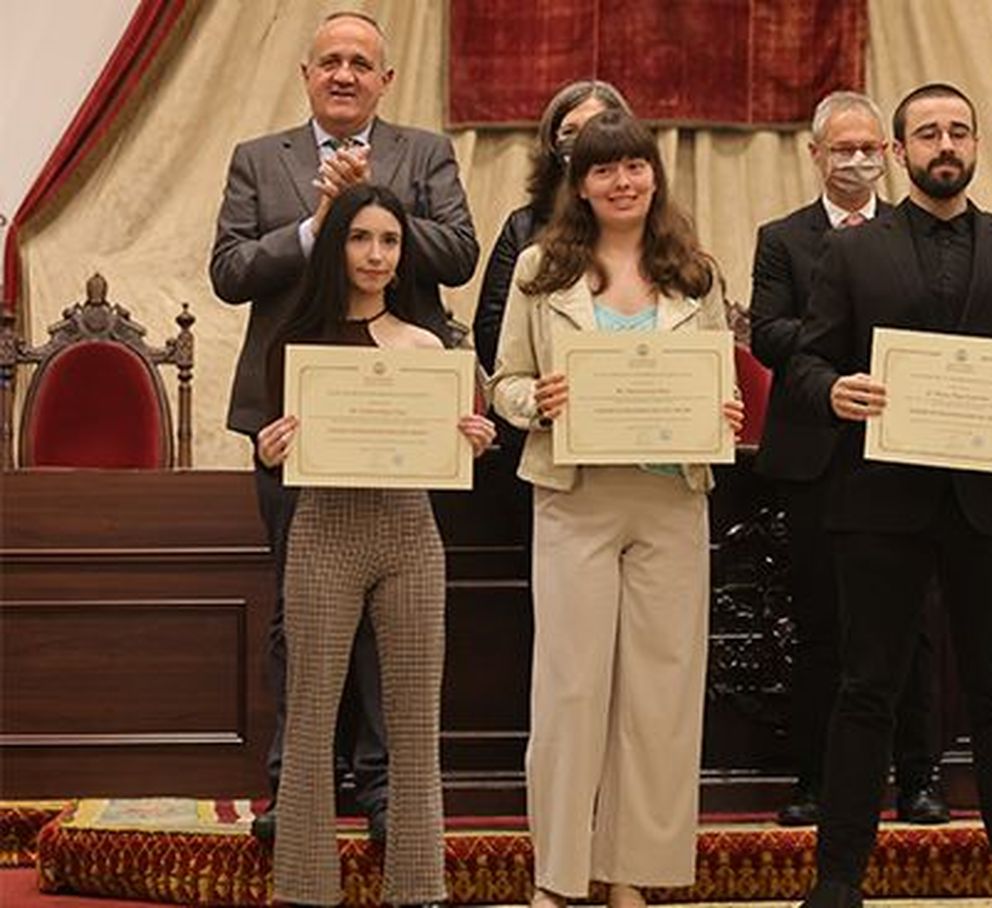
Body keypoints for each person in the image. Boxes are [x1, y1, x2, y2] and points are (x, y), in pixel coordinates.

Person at [787, 83, 992, 908]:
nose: (944, 144)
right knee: (866, 689)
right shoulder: (849, 253)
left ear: (977, 144)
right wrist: (832, 391)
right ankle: (838, 879)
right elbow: (809, 360)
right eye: (928, 132)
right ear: (899, 151)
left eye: (958, 130)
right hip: (880, 502)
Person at [208, 9, 478, 843]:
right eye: (331, 60)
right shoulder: (260, 160)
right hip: (289, 419)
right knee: (301, 612)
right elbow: (229, 272)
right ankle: (298, 790)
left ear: (385, 82)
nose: (346, 74)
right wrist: (312, 229)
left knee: (388, 622)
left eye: (362, 62)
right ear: (306, 73)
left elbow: (461, 254)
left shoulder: (423, 152)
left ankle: (387, 792)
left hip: (395, 414)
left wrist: (371, 213)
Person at [488, 110, 743, 908]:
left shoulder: (695, 273)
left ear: (654, 176)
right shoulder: (539, 269)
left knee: (660, 696)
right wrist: (542, 398)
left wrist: (726, 410)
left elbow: (721, 384)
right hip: (576, 499)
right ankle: (557, 877)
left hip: (671, 498)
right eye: (604, 169)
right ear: (581, 183)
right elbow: (502, 386)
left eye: (635, 166)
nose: (623, 181)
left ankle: (633, 872)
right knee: (568, 691)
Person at [254, 183, 495, 906]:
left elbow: (452, 441)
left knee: (417, 724)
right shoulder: (296, 348)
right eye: (361, 238)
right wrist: (270, 451)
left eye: (389, 241)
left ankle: (419, 889)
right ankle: (303, 890)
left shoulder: (428, 347)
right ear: (338, 246)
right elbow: (278, 448)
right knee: (311, 718)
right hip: (325, 532)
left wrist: (474, 441)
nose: (376, 254)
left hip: (410, 536)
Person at [749, 90, 948, 828]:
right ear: (815, 154)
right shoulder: (783, 238)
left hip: (907, 452)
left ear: (890, 155)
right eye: (843, 148)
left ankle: (920, 777)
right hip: (817, 459)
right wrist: (841, 363)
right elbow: (767, 333)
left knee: (915, 626)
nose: (857, 160)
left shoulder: (916, 229)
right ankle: (816, 778)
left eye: (870, 148)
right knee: (821, 625)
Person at [473, 80, 632, 374]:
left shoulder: (651, 232)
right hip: (546, 400)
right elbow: (491, 334)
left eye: (594, 128)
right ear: (552, 145)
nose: (583, 143)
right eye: (570, 132)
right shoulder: (523, 228)